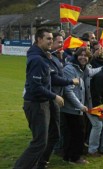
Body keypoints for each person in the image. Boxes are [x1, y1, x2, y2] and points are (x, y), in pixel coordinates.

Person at [14, 28, 64, 169]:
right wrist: (54, 96)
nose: (51, 41)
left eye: (51, 38)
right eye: (48, 39)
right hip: (37, 104)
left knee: (54, 135)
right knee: (39, 142)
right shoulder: (37, 60)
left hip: (44, 102)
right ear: (39, 40)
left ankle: (41, 164)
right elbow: (35, 87)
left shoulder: (42, 56)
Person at [37, 32, 80, 168]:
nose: (62, 45)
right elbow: (54, 78)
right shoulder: (46, 58)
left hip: (55, 98)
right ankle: (40, 161)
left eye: (62, 42)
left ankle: (43, 160)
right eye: (58, 42)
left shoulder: (56, 57)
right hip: (50, 98)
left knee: (53, 133)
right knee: (48, 134)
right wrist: (70, 81)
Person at [61, 47, 101, 164]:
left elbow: (92, 72)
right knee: (78, 133)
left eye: (86, 56)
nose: (83, 57)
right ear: (76, 56)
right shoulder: (70, 69)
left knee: (73, 133)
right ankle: (75, 157)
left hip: (76, 108)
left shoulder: (84, 69)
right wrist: (79, 105)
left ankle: (68, 157)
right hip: (71, 108)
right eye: (81, 55)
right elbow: (68, 91)